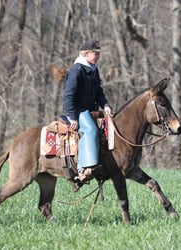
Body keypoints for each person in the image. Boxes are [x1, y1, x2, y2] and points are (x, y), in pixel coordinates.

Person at [63, 39, 112, 184]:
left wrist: (106, 105)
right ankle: (83, 169)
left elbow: (98, 92)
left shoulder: (93, 69)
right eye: (95, 53)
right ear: (86, 54)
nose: (98, 56)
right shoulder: (76, 71)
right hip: (78, 111)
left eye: (98, 53)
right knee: (90, 130)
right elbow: (68, 95)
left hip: (91, 111)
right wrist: (72, 117)